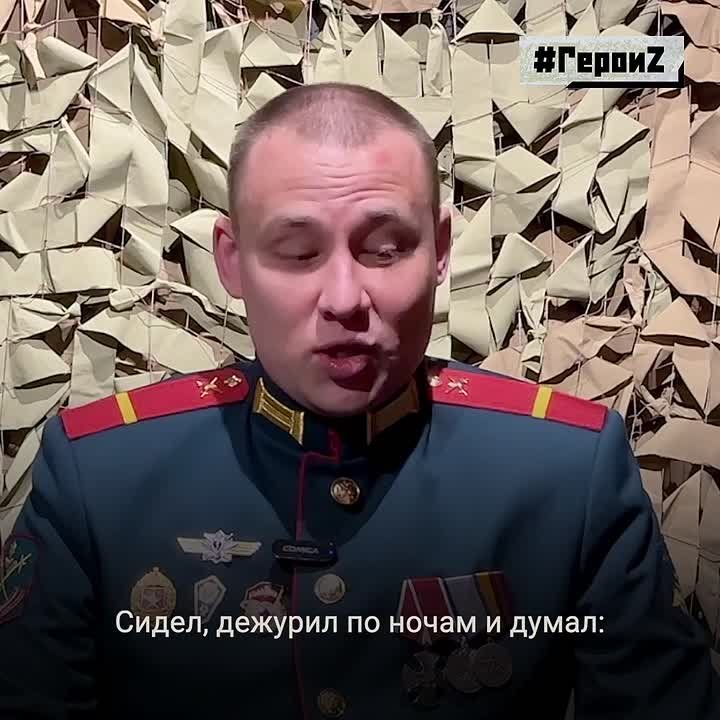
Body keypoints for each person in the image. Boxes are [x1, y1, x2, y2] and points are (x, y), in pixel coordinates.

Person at [0, 82, 717, 720]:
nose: (345, 299)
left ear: (440, 250)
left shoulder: (566, 472)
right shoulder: (101, 476)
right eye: (298, 252)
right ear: (231, 262)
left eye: (384, 248)